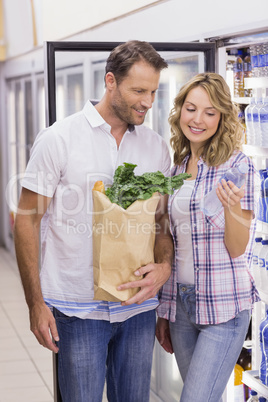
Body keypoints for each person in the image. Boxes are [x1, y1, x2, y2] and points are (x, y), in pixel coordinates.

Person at [13, 40, 173, 402]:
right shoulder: (59, 140)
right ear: (111, 81)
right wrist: (36, 304)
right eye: (138, 90)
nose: (148, 102)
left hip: (137, 306)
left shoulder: (156, 147)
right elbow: (25, 222)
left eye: (153, 91)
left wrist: (165, 266)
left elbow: (160, 221)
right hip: (76, 308)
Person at [156, 72, 260, 402]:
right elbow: (168, 237)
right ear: (180, 111)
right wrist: (165, 309)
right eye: (191, 108)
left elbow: (237, 247)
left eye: (209, 112)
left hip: (224, 307)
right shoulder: (175, 167)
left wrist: (232, 210)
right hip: (181, 308)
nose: (198, 119)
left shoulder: (237, 166)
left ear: (222, 118)